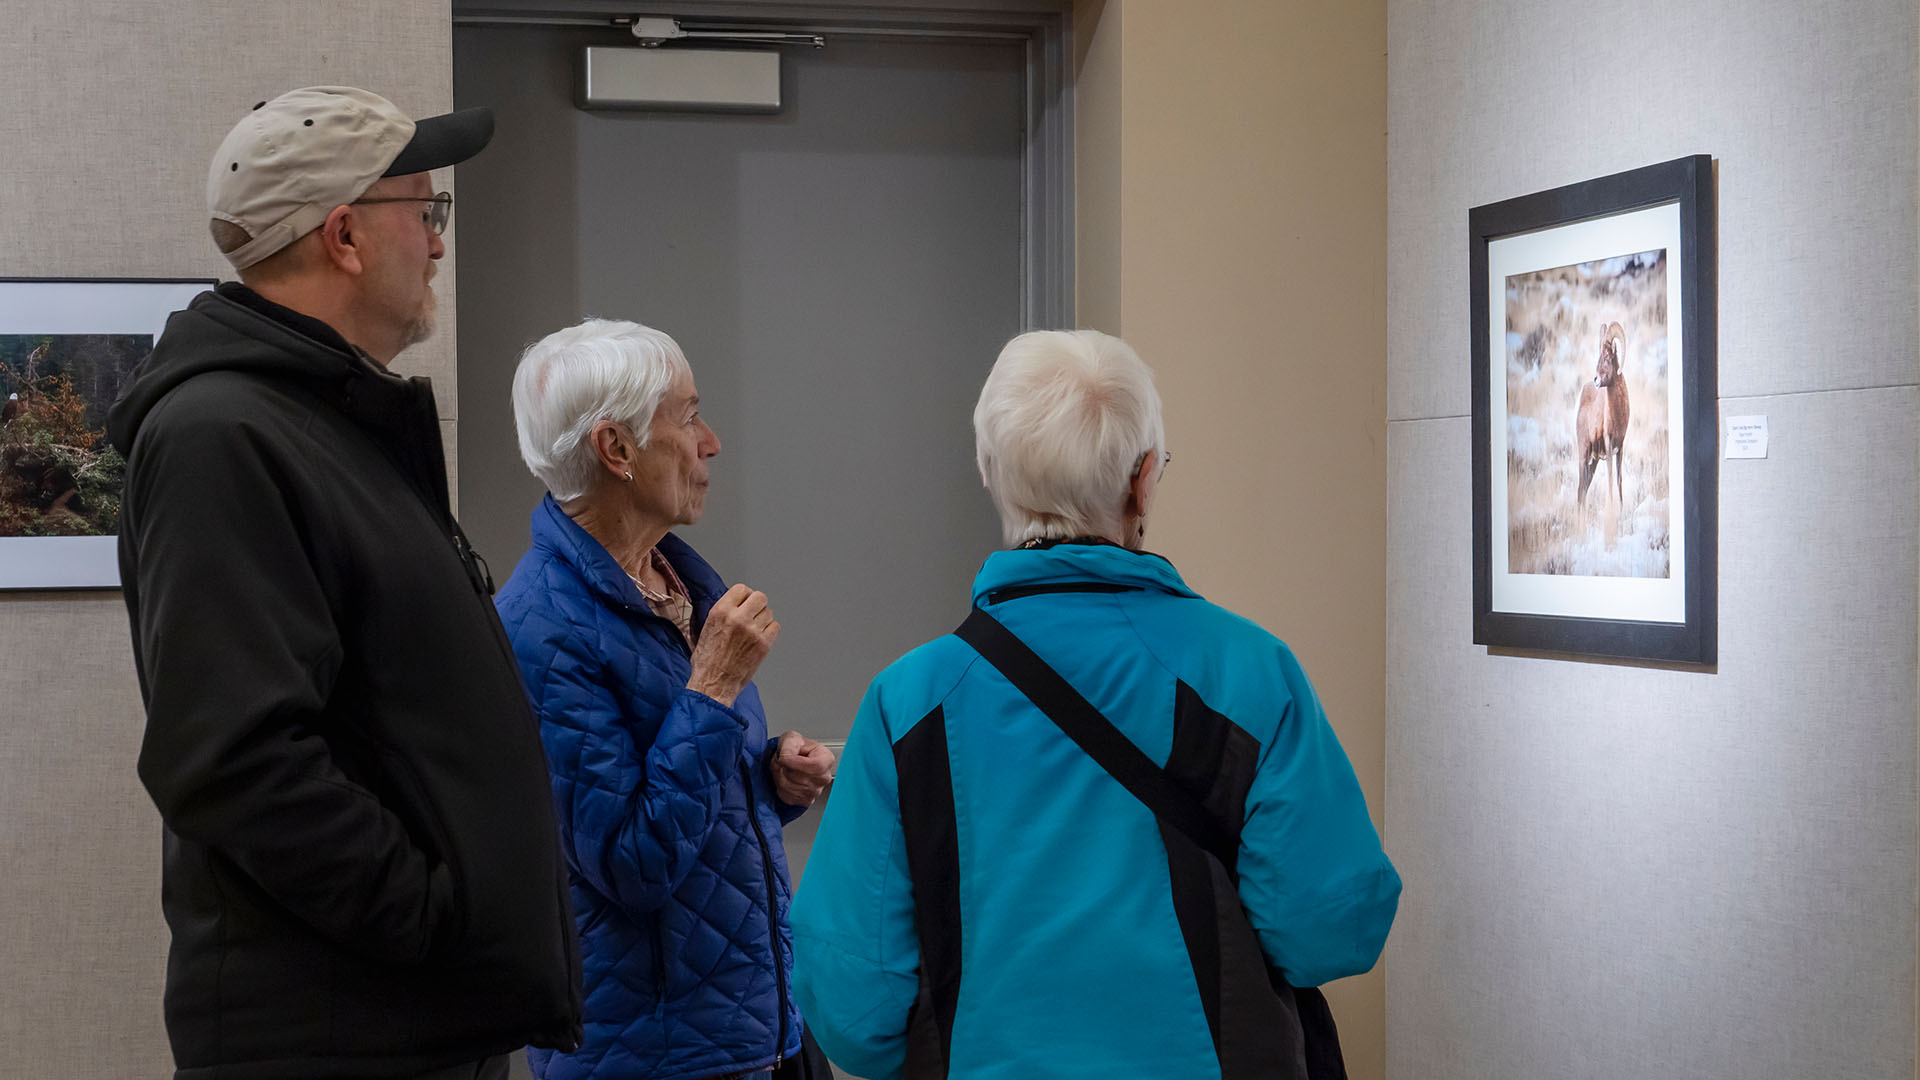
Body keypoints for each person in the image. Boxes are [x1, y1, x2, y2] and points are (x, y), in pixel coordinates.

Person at [108, 87, 581, 1080]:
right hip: (343, 1033)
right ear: (346, 237)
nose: (440, 245)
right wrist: (429, 916)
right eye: (428, 211)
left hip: (411, 1021)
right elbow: (234, 759)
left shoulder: (326, 422)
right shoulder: (221, 437)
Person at [788, 330, 1402, 1080]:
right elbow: (1330, 931)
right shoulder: (1251, 673)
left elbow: (853, 1012)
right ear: (1144, 481)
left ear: (990, 474)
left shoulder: (909, 701)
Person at [494, 318, 837, 1080]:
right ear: (615, 449)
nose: (710, 441)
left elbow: (682, 792)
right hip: (651, 1059)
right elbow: (632, 863)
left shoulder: (675, 579)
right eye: (686, 418)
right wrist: (713, 688)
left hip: (751, 1030)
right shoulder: (539, 628)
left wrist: (767, 779)